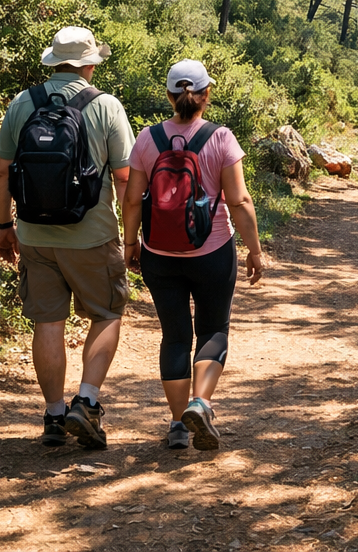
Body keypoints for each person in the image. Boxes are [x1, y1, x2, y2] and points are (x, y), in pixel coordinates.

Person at [0, 26, 135, 451]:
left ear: (54, 62)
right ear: (90, 64)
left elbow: (2, 172)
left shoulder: (24, 102)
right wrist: (131, 238)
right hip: (93, 236)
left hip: (35, 235)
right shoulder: (106, 106)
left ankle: (54, 414)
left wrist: (3, 226)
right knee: (107, 314)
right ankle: (86, 403)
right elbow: (125, 178)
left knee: (48, 322)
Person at [121, 60, 266, 451]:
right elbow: (239, 201)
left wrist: (131, 244)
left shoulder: (147, 138)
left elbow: (132, 199)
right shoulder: (221, 138)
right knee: (213, 329)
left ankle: (177, 426)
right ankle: (200, 403)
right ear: (206, 95)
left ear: (170, 96)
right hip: (212, 251)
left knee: (174, 336)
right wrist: (254, 250)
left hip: (158, 253)